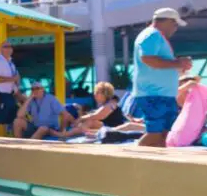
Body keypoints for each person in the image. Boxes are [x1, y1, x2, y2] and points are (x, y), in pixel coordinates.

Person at [127, 8, 193, 147]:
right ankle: (133, 161)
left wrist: (178, 65)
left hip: (161, 94)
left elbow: (153, 61)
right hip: (154, 93)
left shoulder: (153, 35)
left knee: (163, 133)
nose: (175, 29)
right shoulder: (153, 35)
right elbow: (148, 59)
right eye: (175, 25)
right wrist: (177, 63)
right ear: (168, 21)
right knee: (155, 133)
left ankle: (156, 165)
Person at [52, 81, 126, 138]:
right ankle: (63, 131)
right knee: (69, 114)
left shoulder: (111, 103)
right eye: (95, 92)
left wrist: (80, 118)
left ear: (105, 94)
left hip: (114, 128)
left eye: (97, 93)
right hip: (106, 127)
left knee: (91, 121)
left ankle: (65, 134)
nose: (94, 95)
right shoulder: (107, 103)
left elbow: (98, 116)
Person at [0, 41, 21, 137]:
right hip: (0, 94)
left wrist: (18, 91)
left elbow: (16, 79)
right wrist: (12, 79)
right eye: (5, 47)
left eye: (10, 46)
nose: (9, 48)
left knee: (11, 118)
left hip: (10, 94)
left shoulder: (11, 63)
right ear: (1, 49)